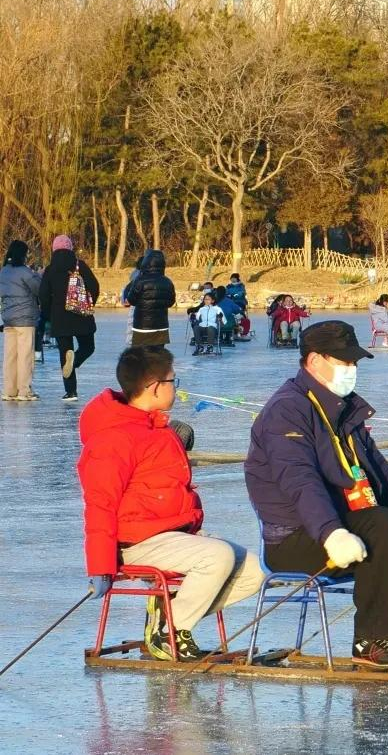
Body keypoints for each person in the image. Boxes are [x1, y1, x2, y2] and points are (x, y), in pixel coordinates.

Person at [244, 321, 388, 669]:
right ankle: (372, 641)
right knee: (380, 523)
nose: (351, 370)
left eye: (354, 362)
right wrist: (332, 532)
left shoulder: (344, 410)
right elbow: (299, 481)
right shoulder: (287, 411)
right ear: (313, 362)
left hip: (349, 520)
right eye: (343, 362)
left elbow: (381, 475)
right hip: (298, 537)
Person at [78, 346, 263, 661]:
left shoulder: (155, 427)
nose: (176, 388)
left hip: (172, 533)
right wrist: (100, 565)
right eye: (172, 382)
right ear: (153, 387)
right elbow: (100, 504)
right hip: (136, 541)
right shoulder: (113, 439)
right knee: (217, 557)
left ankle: (170, 617)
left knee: (255, 571)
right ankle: (170, 631)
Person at [40, 235, 99, 401]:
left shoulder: (50, 269)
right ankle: (75, 361)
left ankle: (71, 392)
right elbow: (94, 287)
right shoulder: (81, 265)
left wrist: (47, 314)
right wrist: (88, 302)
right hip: (81, 315)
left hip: (60, 317)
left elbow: (43, 295)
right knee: (88, 347)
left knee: (65, 353)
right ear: (70, 248)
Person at [0, 240, 41, 400]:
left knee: (10, 356)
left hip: (8, 319)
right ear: (23, 254)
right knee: (25, 356)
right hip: (25, 319)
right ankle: (24, 390)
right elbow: (38, 288)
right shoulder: (25, 272)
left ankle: (9, 390)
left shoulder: (3, 271)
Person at [126, 250, 176, 348]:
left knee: (140, 355)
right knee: (158, 355)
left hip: (142, 325)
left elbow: (131, 300)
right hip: (161, 326)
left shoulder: (139, 281)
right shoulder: (167, 281)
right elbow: (171, 302)